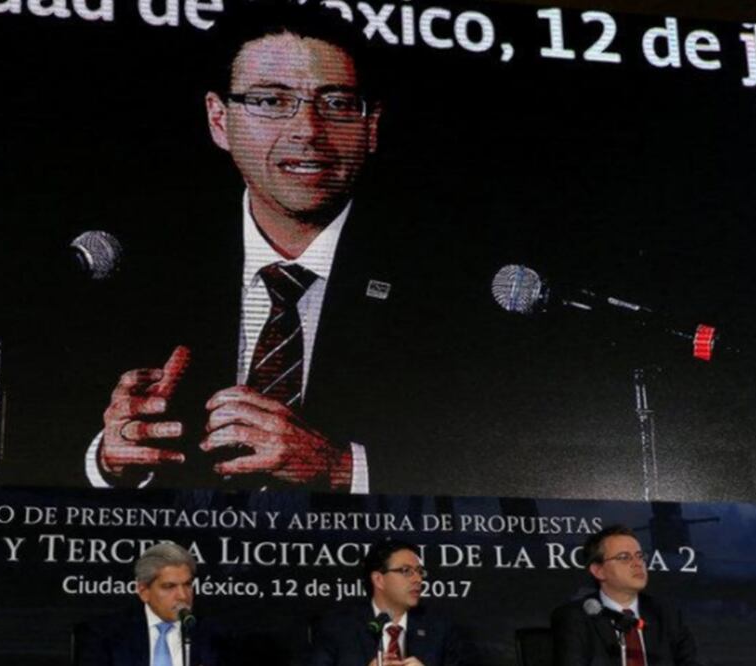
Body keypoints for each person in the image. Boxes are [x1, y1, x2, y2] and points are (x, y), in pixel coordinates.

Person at [79, 3, 497, 494]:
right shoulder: (140, 264)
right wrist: (110, 461)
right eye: (272, 102)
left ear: (372, 127)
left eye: (337, 103)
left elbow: (510, 460)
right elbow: (38, 440)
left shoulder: (456, 280)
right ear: (219, 120)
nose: (308, 131)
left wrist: (341, 470)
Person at [550, 525, 701, 666]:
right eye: (624, 557)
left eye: (639, 556)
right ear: (598, 570)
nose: (637, 563)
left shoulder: (667, 614)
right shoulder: (574, 617)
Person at [310, 539, 462, 666]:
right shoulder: (337, 628)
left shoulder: (441, 630)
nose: (418, 579)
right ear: (378, 579)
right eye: (406, 571)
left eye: (419, 571)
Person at [75, 541, 217, 666]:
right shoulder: (103, 635)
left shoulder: (216, 637)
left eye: (187, 584)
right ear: (144, 591)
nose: (183, 595)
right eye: (169, 586)